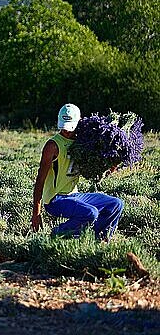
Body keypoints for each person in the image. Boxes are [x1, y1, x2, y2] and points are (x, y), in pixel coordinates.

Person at [32, 103, 124, 241]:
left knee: (116, 204)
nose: (66, 131)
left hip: (74, 196)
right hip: (55, 200)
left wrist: (110, 164)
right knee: (90, 213)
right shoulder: (53, 146)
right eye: (64, 127)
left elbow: (94, 173)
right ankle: (57, 235)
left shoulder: (84, 143)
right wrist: (36, 214)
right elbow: (40, 180)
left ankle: (99, 240)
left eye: (70, 127)